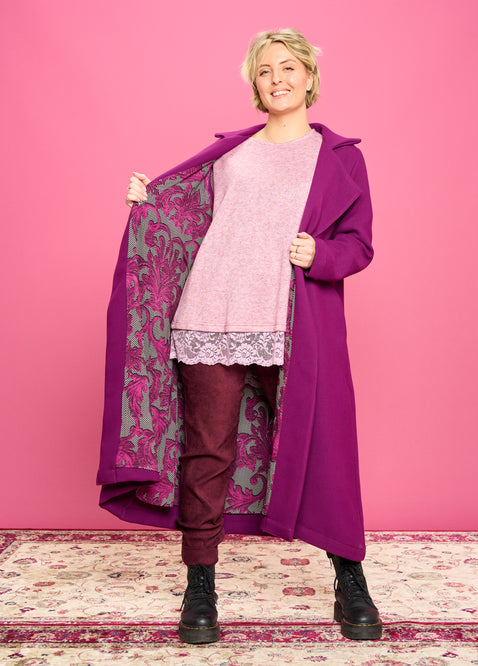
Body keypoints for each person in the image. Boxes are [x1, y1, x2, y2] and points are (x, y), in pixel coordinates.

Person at [97, 28, 381, 644]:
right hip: (209, 316)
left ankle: (350, 579)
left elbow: (359, 245)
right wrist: (147, 202)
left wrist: (322, 255)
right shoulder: (228, 155)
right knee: (208, 453)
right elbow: (182, 220)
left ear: (309, 77)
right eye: (265, 71)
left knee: (325, 448)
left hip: (291, 324)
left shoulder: (339, 158)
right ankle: (200, 586)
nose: (278, 79)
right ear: (255, 84)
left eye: (289, 67)